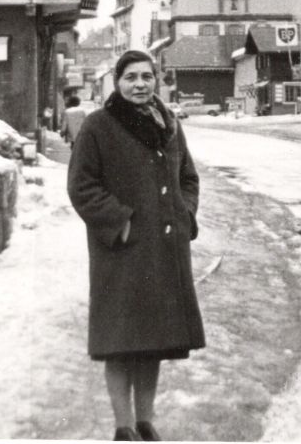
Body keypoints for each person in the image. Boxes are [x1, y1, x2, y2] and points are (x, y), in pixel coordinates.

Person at [67, 50, 204, 442]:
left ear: (156, 80)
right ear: (117, 82)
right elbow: (81, 186)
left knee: (152, 342)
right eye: (131, 77)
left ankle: (145, 422)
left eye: (146, 76)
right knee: (120, 343)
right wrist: (120, 222)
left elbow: (188, 178)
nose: (140, 84)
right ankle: (123, 427)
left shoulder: (169, 124)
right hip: (121, 253)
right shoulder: (98, 125)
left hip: (164, 251)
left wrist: (185, 214)